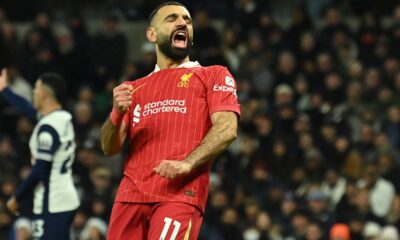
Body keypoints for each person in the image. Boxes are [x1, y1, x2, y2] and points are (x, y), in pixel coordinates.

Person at [100, 2, 240, 239]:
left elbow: (227, 129)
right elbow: (109, 147)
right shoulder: (134, 88)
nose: (182, 23)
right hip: (129, 197)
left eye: (187, 20)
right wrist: (116, 113)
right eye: (172, 18)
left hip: (179, 195)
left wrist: (188, 163)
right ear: (151, 34)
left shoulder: (213, 74)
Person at [1, 69, 80, 240]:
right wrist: (5, 90)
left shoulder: (48, 128)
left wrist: (17, 197)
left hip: (53, 202)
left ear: (44, 94)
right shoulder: (62, 118)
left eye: (36, 88)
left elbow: (40, 170)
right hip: (62, 199)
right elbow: (29, 110)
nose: (33, 92)